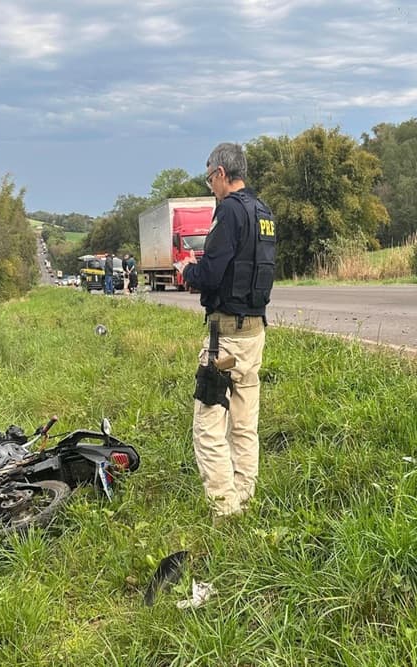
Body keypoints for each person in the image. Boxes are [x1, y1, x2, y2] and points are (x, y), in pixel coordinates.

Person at [177, 142, 277, 519]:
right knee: (245, 421)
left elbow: (211, 274)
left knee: (207, 425)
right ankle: (245, 498)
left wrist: (188, 269)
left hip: (226, 339)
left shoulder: (229, 213)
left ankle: (225, 509)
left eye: (209, 179)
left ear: (221, 173)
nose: (210, 187)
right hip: (255, 332)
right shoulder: (263, 212)